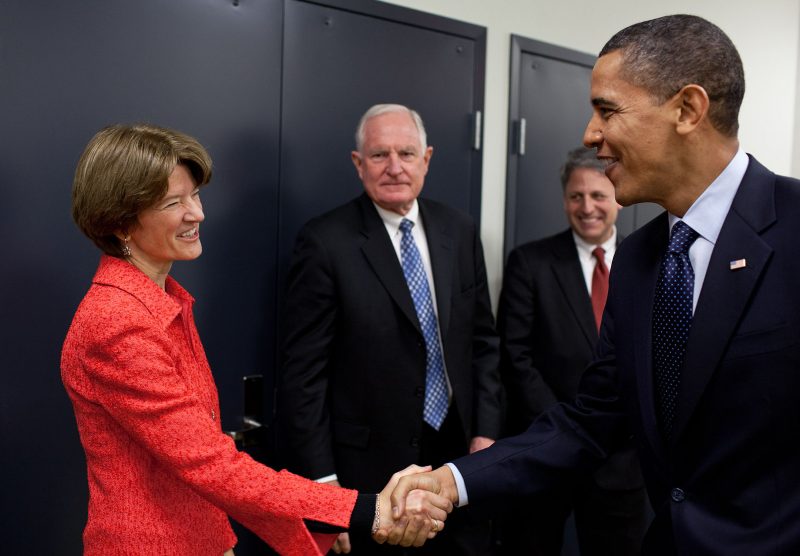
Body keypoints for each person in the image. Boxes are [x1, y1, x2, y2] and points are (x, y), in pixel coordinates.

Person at [390, 14, 800, 555]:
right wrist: (453, 480)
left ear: (687, 109)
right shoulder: (639, 259)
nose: (590, 134)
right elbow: (591, 420)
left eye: (607, 110)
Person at [61, 124, 452, 556]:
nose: (197, 214)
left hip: (205, 539)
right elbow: (211, 465)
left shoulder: (163, 301)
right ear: (120, 225)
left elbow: (203, 466)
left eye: (195, 194)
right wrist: (365, 509)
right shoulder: (117, 321)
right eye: (174, 202)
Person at [278, 104, 503, 554]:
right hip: (367, 470)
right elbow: (304, 375)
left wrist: (486, 432)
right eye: (380, 155)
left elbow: (483, 341)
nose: (395, 167)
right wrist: (325, 490)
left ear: (428, 159)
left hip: (457, 457)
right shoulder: (325, 241)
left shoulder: (457, 230)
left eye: (407, 153)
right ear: (359, 164)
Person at [498, 146, 648, 555]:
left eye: (598, 195)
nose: (587, 207)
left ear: (616, 196)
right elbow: (516, 358)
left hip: (624, 460)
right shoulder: (529, 263)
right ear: (565, 200)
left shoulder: (648, 262)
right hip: (547, 451)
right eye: (576, 196)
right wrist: (563, 433)